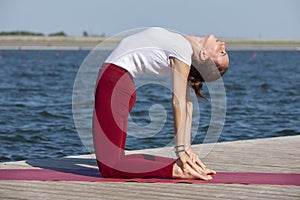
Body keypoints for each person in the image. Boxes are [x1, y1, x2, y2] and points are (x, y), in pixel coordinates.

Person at [92, 27, 229, 180]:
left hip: (113, 83)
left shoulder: (182, 50)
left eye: (221, 52)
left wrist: (182, 149)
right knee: (115, 159)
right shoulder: (185, 44)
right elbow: (186, 102)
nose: (223, 45)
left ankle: (176, 170)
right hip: (119, 84)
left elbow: (181, 102)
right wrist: (186, 149)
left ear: (205, 56)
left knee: (110, 166)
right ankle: (183, 166)